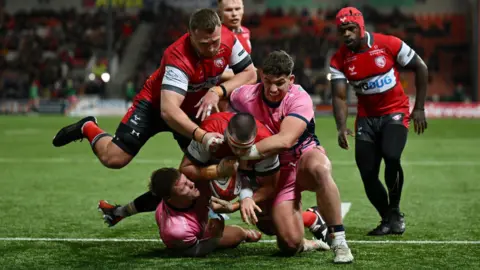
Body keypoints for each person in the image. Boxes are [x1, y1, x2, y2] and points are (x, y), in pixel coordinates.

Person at [52, 8, 256, 169]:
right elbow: (169, 110)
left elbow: (250, 73)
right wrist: (202, 136)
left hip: (190, 108)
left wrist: (217, 91)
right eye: (204, 44)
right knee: (113, 159)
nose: (212, 49)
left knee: (206, 162)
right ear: (190, 35)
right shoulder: (178, 57)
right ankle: (87, 127)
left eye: (215, 42)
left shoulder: (229, 38)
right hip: (154, 106)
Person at [99, 112, 329, 252]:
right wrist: (216, 170)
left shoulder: (266, 144)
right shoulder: (211, 132)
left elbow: (270, 186)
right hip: (211, 174)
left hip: (247, 180)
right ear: (227, 134)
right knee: (176, 186)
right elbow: (186, 171)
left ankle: (311, 216)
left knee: (268, 225)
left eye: (245, 147)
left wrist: (241, 202)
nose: (240, 151)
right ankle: (121, 211)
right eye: (235, 146)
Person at [229, 50, 353, 263]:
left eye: (280, 82)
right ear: (261, 75)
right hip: (273, 170)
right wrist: (215, 92)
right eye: (267, 81)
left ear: (291, 80)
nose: (273, 89)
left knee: (320, 168)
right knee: (286, 243)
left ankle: (339, 242)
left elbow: (285, 140)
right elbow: (224, 102)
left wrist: (242, 153)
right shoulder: (244, 95)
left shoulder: (299, 97)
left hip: (302, 160)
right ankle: (310, 224)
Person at [329, 7, 428, 236]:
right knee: (367, 172)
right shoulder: (339, 59)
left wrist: (420, 107)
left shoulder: (388, 44)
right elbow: (339, 96)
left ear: (361, 28)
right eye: (342, 30)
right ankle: (389, 218)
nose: (347, 34)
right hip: (366, 118)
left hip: (395, 111)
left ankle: (394, 210)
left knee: (392, 156)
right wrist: (341, 127)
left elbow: (420, 67)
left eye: (351, 28)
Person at [150, 167, 262, 257]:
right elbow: (196, 251)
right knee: (238, 234)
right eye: (184, 187)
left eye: (186, 180)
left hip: (195, 214)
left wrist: (229, 205)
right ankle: (245, 233)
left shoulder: (191, 187)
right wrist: (215, 237)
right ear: (170, 198)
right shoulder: (177, 230)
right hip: (190, 242)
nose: (191, 184)